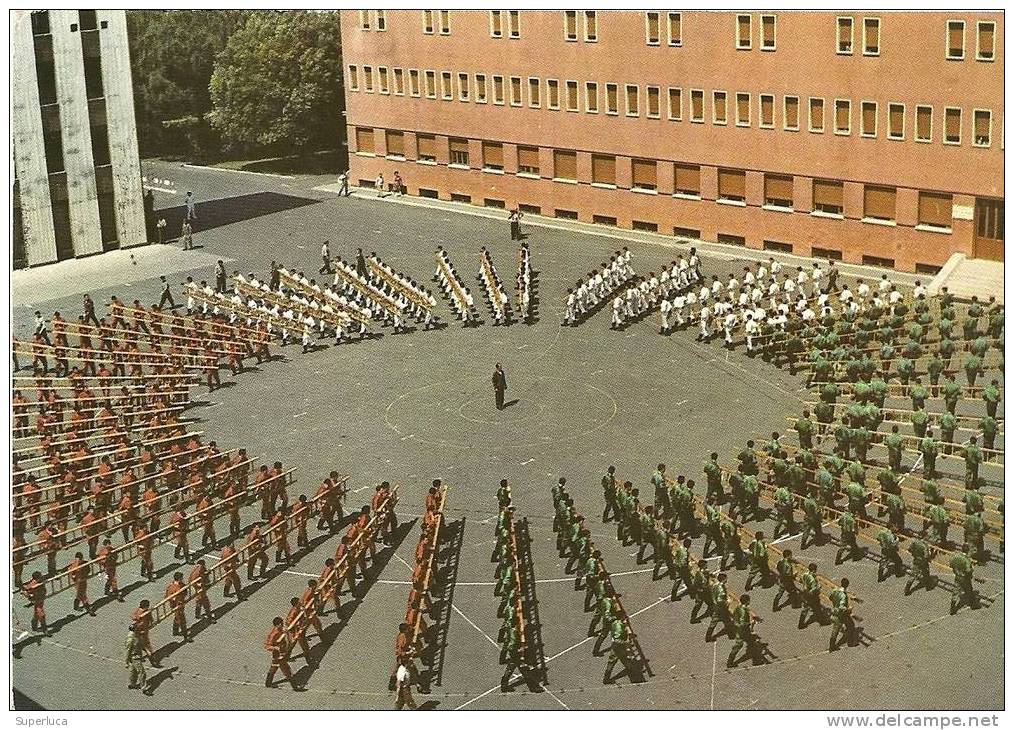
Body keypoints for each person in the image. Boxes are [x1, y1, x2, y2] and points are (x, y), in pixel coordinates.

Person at [125, 624, 152, 694]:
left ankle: (132, 684)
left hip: (137, 655)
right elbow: (128, 650)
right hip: (135, 657)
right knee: (142, 672)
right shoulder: (131, 639)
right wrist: (126, 661)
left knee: (133, 670)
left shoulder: (135, 636)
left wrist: (146, 651)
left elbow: (140, 644)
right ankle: (144, 688)